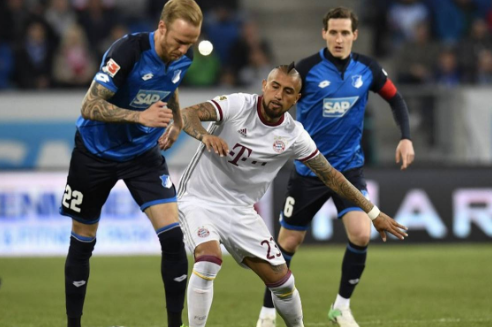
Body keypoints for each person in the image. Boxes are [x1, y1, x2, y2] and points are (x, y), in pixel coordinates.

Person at [161, 64, 408, 327]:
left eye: (288, 91)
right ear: (264, 86)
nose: (279, 95)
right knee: (209, 260)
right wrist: (204, 136)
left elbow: (331, 175)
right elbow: (188, 115)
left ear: (296, 99)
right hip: (199, 199)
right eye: (275, 86)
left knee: (283, 282)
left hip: (241, 210)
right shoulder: (238, 105)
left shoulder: (294, 134)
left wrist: (373, 212)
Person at [256, 7, 415, 327]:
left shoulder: (367, 69)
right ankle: (267, 312)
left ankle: (341, 307)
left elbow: (396, 99)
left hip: (349, 170)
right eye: (334, 32)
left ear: (355, 35)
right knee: (287, 244)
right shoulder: (306, 70)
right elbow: (278, 104)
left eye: (345, 33)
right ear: (324, 33)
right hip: (309, 170)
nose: (339, 38)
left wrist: (406, 138)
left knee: (361, 234)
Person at [59, 1, 202, 327]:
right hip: (94, 153)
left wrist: (177, 121)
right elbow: (89, 105)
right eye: (179, 41)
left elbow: (170, 85)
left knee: (173, 239)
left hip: (141, 153)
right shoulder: (127, 52)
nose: (183, 49)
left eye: (190, 43)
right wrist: (141, 116)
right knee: (82, 243)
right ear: (162, 27)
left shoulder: (185, 56)